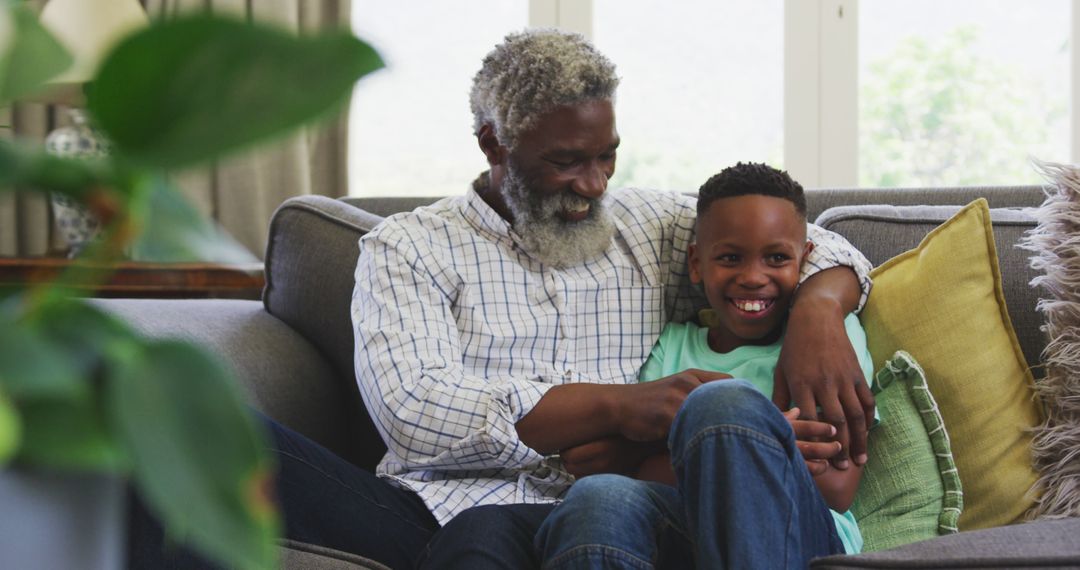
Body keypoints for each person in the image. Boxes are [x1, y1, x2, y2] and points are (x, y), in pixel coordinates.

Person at [129, 29, 875, 570]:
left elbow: (795, 245)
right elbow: (417, 413)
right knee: (181, 416)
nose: (593, 184)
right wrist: (619, 405)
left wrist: (818, 310)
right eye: (565, 162)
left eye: (605, 155)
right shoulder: (410, 248)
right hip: (434, 511)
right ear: (492, 144)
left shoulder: (649, 225)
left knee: (595, 510)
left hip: (611, 502)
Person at [531, 162, 876, 569]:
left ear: (804, 260)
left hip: (802, 538)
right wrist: (759, 446)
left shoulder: (831, 340)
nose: (752, 277)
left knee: (722, 402)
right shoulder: (672, 348)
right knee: (598, 497)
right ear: (696, 263)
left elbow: (835, 488)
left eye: (777, 258)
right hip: (689, 531)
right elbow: (641, 475)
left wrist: (726, 441)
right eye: (730, 257)